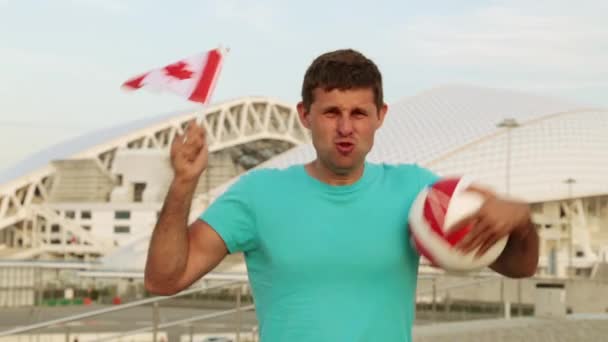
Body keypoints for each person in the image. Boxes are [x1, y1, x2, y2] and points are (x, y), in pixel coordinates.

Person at [144, 49, 539, 341]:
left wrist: (521, 221)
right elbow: (165, 280)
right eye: (332, 113)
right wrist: (183, 185)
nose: (346, 128)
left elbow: (519, 268)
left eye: (359, 114)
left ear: (381, 116)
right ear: (305, 115)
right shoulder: (258, 193)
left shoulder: (420, 193)